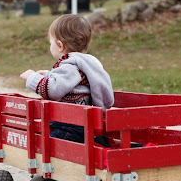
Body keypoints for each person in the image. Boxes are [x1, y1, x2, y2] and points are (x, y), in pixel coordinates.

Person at [20, 14, 114, 144]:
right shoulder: (85, 63)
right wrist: (48, 75)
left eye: (50, 43)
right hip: (81, 123)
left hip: (68, 126)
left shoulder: (70, 65)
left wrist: (32, 78)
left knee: (46, 145)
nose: (50, 46)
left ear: (59, 46)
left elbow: (54, 90)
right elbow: (70, 83)